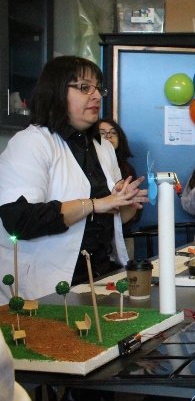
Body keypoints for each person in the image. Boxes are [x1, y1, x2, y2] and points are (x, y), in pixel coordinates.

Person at [0, 56, 147, 304]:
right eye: (84, 87)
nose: (97, 96)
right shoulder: (32, 142)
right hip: (45, 284)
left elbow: (117, 219)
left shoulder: (103, 147)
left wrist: (126, 201)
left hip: (101, 275)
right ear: (57, 91)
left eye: (98, 88)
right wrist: (94, 204)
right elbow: (20, 221)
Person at [98, 118, 142, 257]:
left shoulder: (127, 169)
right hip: (97, 234)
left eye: (113, 133)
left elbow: (136, 206)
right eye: (102, 133)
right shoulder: (91, 167)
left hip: (124, 232)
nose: (108, 137)